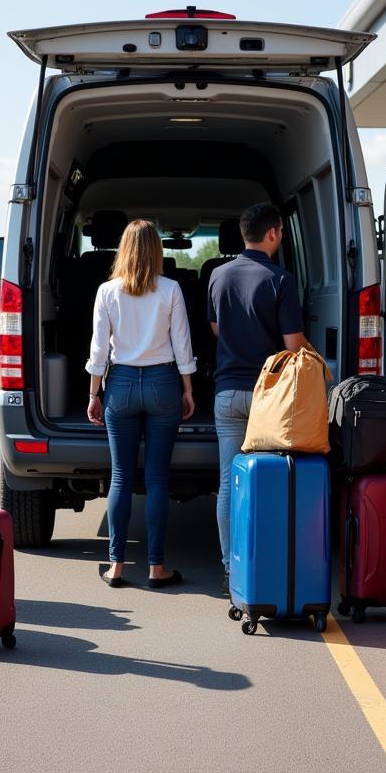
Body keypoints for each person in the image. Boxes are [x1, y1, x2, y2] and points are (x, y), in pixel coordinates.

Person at [86, 219, 196, 588]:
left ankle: (116, 565)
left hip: (121, 384)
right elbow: (182, 343)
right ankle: (155, 566)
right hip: (163, 383)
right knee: (157, 477)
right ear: (156, 251)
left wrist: (93, 393)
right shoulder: (171, 289)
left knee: (120, 476)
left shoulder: (107, 291)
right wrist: (188, 389)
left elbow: (99, 349)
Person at [208, 203, 308, 594]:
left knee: (229, 484)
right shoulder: (281, 280)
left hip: (227, 392)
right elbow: (292, 346)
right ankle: (268, 565)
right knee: (274, 481)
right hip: (270, 398)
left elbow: (216, 329)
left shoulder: (217, 276)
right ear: (273, 234)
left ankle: (230, 570)